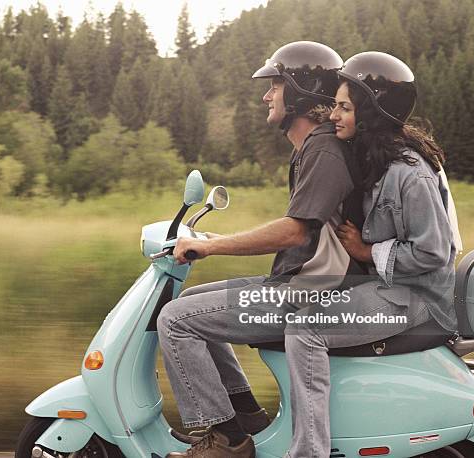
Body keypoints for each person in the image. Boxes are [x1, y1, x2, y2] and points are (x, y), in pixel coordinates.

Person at [157, 41, 365, 458]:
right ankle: (246, 417)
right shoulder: (311, 149)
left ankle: (227, 440)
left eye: (275, 85)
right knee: (194, 301)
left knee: (176, 319)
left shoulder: (323, 150)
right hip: (301, 283)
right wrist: (214, 240)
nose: (266, 95)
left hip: (314, 291)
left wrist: (213, 249)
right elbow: (305, 231)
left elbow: (293, 232)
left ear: (301, 93)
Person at [283, 51, 461, 458]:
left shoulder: (408, 173)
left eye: (345, 107)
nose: (334, 116)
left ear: (372, 113)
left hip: (418, 299)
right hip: (394, 289)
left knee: (305, 329)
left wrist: (368, 250)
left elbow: (433, 251)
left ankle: (308, 452)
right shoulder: (376, 159)